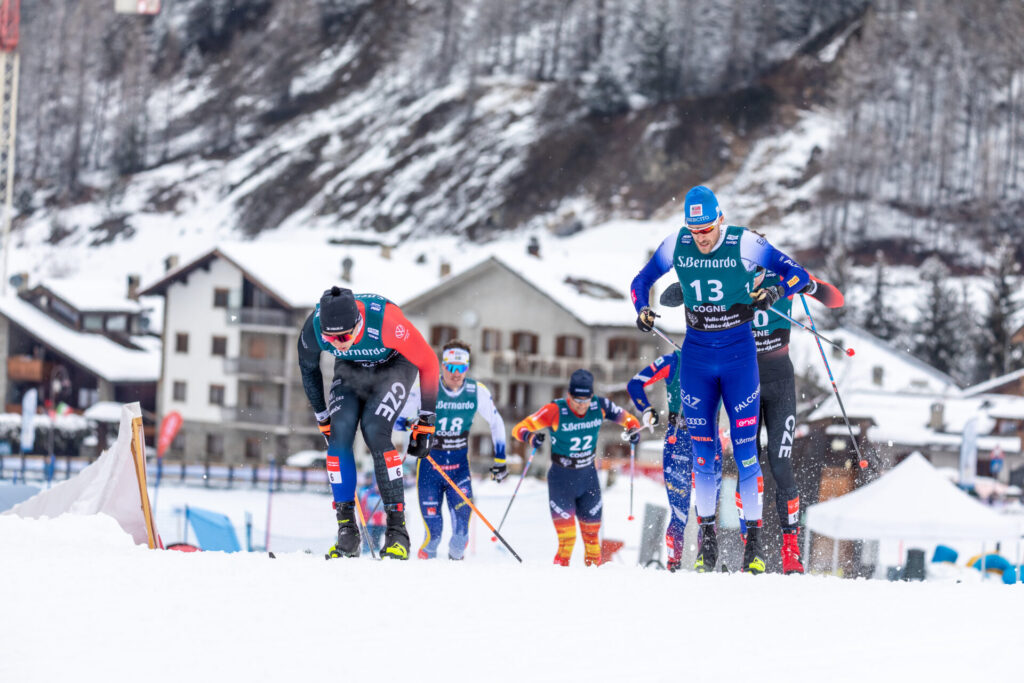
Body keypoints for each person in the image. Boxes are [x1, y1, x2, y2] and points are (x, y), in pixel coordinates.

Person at [629, 185, 809, 574]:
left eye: (707, 228)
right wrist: (642, 309)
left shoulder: (744, 242)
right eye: (695, 230)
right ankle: (706, 547)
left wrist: (775, 290)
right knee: (703, 457)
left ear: (719, 219)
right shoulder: (677, 245)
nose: (702, 237)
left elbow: (798, 274)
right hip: (696, 358)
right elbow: (641, 281)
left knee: (747, 455)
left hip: (740, 358)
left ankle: (755, 549)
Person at [661, 268, 844, 574]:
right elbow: (669, 299)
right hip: (742, 385)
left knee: (780, 462)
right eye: (745, 267)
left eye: (757, 269)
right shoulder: (727, 281)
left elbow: (834, 299)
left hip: (779, 383)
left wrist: (808, 284)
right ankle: (751, 547)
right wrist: (690, 285)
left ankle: (790, 549)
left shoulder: (782, 280)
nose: (752, 275)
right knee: (748, 461)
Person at [297, 286, 439, 560]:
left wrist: (427, 420)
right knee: (338, 437)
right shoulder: (312, 328)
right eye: (331, 338)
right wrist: (321, 415)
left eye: (345, 336)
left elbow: (429, 363)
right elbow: (308, 368)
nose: (338, 343)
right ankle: (347, 532)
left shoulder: (388, 325)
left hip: (395, 364)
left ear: (359, 323)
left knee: (375, 429)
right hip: (351, 368)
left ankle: (397, 533)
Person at [511, 369, 641, 566]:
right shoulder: (555, 410)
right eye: (577, 400)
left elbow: (629, 419)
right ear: (569, 395)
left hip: (588, 478)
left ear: (591, 397)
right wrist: (530, 437)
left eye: (585, 400)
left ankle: (591, 587)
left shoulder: (600, 406)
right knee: (567, 541)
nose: (581, 406)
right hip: (561, 480)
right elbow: (518, 428)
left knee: (592, 543)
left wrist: (633, 429)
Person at [397, 340, 508, 560]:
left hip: (459, 471)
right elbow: (394, 419)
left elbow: (497, 423)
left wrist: (501, 460)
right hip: (430, 469)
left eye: (462, 368)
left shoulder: (476, 391)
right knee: (433, 537)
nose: (456, 374)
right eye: (451, 367)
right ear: (443, 365)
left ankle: (455, 583)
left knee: (460, 539)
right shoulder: (427, 389)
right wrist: (411, 423)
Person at [626, 349, 722, 572]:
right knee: (679, 514)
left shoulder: (722, 355)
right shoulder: (674, 360)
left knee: (707, 515)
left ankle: (705, 565)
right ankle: (673, 566)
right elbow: (635, 384)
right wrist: (646, 409)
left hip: (709, 438)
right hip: (678, 438)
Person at [357, 472, 386, 552]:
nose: (378, 487)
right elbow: (363, 507)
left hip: (379, 522)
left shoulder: (383, 495)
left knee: (377, 539)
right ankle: (366, 550)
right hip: (368, 521)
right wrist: (364, 518)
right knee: (368, 538)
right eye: (376, 484)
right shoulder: (367, 493)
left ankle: (376, 549)